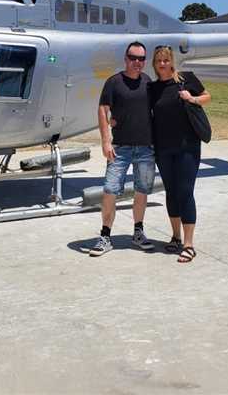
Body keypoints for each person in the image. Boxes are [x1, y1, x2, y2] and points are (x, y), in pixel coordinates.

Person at [90, 41, 156, 257]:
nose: (137, 62)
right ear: (125, 59)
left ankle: (138, 232)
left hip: (145, 147)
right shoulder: (114, 82)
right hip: (120, 148)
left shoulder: (148, 82)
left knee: (142, 190)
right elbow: (103, 109)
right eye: (133, 57)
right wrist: (106, 140)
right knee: (110, 190)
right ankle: (105, 236)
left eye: (141, 58)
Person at [149, 45, 211, 263]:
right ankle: (175, 237)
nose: (162, 64)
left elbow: (207, 96)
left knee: (185, 192)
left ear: (172, 61)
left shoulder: (186, 79)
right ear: (154, 65)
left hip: (188, 147)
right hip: (164, 149)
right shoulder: (153, 88)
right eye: (158, 61)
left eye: (166, 60)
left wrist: (192, 99)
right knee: (171, 192)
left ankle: (189, 244)